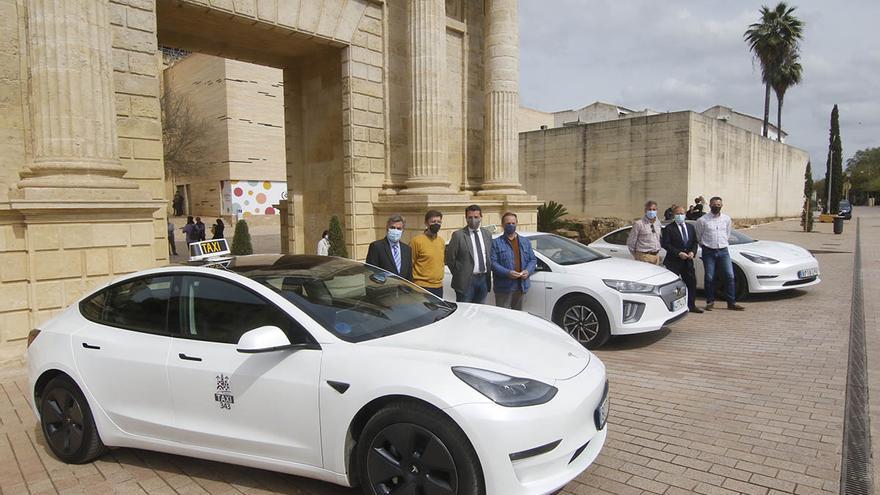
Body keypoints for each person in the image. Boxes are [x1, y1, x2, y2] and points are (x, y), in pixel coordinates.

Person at [695, 196, 745, 311]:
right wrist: (706, 245)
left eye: (718, 205)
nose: (716, 207)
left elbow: (727, 233)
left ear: (721, 206)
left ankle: (731, 302)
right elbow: (699, 236)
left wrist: (722, 243)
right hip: (709, 251)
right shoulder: (702, 220)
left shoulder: (726, 219)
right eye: (714, 205)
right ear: (710, 205)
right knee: (709, 277)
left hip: (723, 250)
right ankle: (710, 301)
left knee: (729, 275)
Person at [445, 205, 493, 303]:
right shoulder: (458, 235)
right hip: (466, 281)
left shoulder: (487, 234)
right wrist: (460, 274)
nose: (473, 220)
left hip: (483, 279)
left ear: (481, 217)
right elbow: (450, 259)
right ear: (466, 218)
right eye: (470, 217)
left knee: (481, 311)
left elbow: (489, 255)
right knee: (465, 313)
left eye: (476, 217)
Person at [490, 212, 536, 310]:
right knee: (503, 317)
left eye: (513, 223)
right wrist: (507, 273)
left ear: (516, 223)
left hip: (521, 286)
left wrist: (528, 271)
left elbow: (532, 259)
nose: (511, 225)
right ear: (502, 225)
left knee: (519, 317)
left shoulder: (525, 242)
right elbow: (493, 263)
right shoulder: (496, 243)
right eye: (508, 223)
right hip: (504, 287)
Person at [661, 206, 702, 313]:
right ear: (674, 215)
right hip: (674, 261)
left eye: (682, 213)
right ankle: (672, 306)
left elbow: (694, 242)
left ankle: (691, 305)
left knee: (691, 283)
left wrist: (693, 252)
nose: (680, 215)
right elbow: (666, 244)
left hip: (688, 261)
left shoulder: (690, 227)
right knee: (673, 285)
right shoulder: (669, 228)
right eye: (678, 213)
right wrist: (678, 253)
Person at [366, 215, 413, 281]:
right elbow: (370, 273)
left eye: (399, 228)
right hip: (384, 289)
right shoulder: (376, 247)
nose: (395, 230)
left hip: (402, 290)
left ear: (403, 230)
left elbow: (409, 276)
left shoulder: (407, 249)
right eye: (392, 227)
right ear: (387, 228)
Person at [410, 210, 445, 298]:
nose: (436, 224)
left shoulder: (441, 241)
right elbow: (410, 263)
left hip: (438, 287)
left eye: (438, 222)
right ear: (426, 223)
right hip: (422, 287)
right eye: (433, 222)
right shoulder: (416, 241)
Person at [627, 200, 662, 265]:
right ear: (645, 210)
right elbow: (631, 242)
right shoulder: (639, 224)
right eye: (650, 209)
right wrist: (637, 255)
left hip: (656, 256)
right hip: (643, 256)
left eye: (654, 209)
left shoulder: (658, 223)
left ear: (656, 210)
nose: (652, 211)